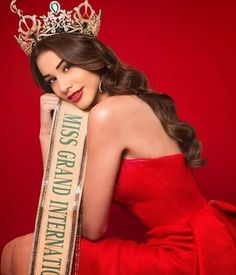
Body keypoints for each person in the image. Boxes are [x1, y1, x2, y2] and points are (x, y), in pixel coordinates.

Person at [2, 1, 236, 275]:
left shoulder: (109, 114)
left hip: (188, 253)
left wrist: (47, 138)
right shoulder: (119, 107)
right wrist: (47, 134)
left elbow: (91, 228)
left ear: (94, 60)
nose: (63, 86)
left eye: (68, 67)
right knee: (13, 250)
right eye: (51, 79)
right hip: (196, 240)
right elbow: (63, 215)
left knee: (23, 253)